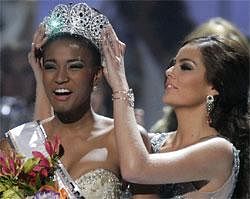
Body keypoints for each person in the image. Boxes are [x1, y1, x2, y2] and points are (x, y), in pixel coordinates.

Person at [0, 3, 152, 198]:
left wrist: (120, 83)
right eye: (51, 66)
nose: (60, 77)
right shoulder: (15, 144)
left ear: (97, 75)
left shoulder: (122, 141)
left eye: (75, 66)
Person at [101, 25, 249, 198]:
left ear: (213, 87)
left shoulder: (220, 151)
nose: (169, 71)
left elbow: (136, 169)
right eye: (173, 64)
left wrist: (120, 85)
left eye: (185, 67)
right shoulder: (153, 140)